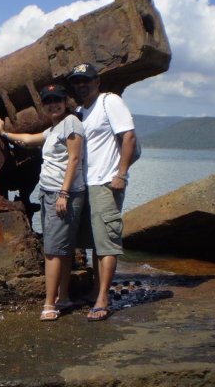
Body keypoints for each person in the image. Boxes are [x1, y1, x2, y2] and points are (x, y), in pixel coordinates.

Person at [0, 84, 85, 321]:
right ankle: (62, 297)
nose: (53, 104)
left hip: (62, 194)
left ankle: (49, 304)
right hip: (49, 193)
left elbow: (74, 158)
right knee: (61, 249)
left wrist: (64, 194)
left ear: (65, 102)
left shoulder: (71, 123)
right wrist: (4, 133)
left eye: (57, 99)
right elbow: (28, 139)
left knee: (52, 251)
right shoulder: (54, 129)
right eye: (48, 101)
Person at [67, 63, 138, 322]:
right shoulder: (81, 112)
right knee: (96, 242)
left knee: (106, 243)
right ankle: (97, 290)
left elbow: (128, 137)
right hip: (85, 184)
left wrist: (120, 174)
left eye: (86, 80)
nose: (81, 85)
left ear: (97, 81)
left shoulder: (111, 102)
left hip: (106, 182)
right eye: (76, 82)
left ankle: (103, 299)